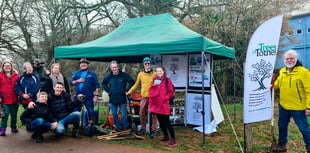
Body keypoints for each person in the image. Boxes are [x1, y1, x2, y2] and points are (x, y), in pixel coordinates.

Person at [272, 49, 310, 153]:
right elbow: (278, 84)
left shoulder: (304, 72)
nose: (289, 60)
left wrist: (309, 107)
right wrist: (272, 85)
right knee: (282, 126)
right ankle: (282, 145)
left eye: (291, 58)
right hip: (284, 106)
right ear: (284, 60)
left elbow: (309, 90)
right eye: (287, 58)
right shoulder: (283, 71)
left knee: (304, 129)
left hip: (299, 108)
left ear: (296, 59)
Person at [126, 57, 157, 137]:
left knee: (153, 114)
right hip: (144, 96)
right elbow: (136, 84)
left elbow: (159, 84)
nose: (147, 65)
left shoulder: (155, 73)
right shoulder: (140, 74)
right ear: (143, 65)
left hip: (153, 97)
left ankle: (153, 130)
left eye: (148, 63)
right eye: (145, 64)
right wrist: (129, 92)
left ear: (150, 64)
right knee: (141, 113)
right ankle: (143, 128)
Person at [102, 61, 134, 131]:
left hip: (122, 97)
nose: (114, 69)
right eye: (113, 67)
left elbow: (132, 81)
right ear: (111, 68)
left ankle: (125, 127)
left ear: (118, 67)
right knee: (113, 113)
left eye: (115, 67)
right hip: (113, 98)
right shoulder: (109, 76)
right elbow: (103, 83)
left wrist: (127, 90)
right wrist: (108, 90)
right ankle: (117, 127)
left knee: (124, 114)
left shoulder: (124, 75)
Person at [149, 66, 176, 147]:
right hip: (156, 104)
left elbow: (171, 92)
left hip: (164, 105)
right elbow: (152, 90)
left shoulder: (167, 81)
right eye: (157, 71)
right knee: (160, 122)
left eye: (160, 71)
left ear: (163, 71)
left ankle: (173, 139)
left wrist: (165, 98)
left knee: (167, 122)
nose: (159, 72)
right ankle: (166, 136)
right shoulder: (154, 80)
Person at [70, 58, 100, 125]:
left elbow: (97, 85)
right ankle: (76, 127)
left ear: (87, 64)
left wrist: (96, 95)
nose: (83, 64)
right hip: (78, 96)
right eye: (82, 63)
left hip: (88, 96)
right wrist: (78, 81)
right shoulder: (76, 73)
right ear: (80, 65)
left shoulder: (92, 74)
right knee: (76, 111)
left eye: (85, 63)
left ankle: (91, 127)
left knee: (91, 111)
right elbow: (71, 83)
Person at [0, 61, 19, 136]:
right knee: (5, 114)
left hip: (14, 98)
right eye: (6, 66)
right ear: (3, 67)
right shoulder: (0, 75)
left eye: (9, 66)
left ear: (11, 67)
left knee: (14, 114)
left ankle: (13, 127)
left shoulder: (16, 75)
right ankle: (2, 129)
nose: (7, 67)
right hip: (4, 99)